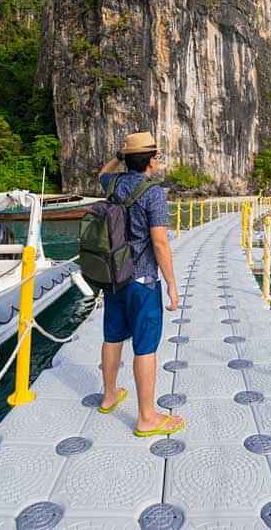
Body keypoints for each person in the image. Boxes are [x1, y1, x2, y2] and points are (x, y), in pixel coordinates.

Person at [95, 131, 185, 436]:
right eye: (157, 156)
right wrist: (172, 284)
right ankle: (146, 417)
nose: (159, 160)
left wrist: (118, 158)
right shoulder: (154, 193)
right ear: (150, 160)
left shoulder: (114, 183)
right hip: (143, 279)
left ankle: (109, 395)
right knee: (145, 347)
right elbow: (160, 243)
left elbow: (101, 173)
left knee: (113, 336)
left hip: (113, 276)